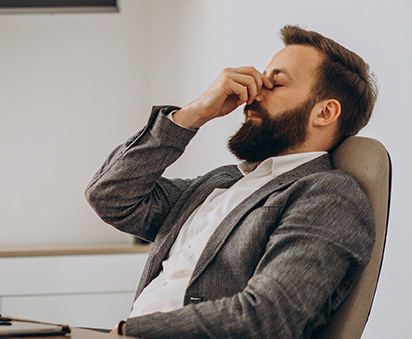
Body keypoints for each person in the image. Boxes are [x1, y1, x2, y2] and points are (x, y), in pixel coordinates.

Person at [85, 25, 378, 338]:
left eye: (275, 83)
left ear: (324, 112)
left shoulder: (328, 196)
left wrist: (131, 332)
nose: (252, 93)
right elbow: (110, 196)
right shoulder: (222, 182)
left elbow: (266, 317)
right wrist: (194, 113)